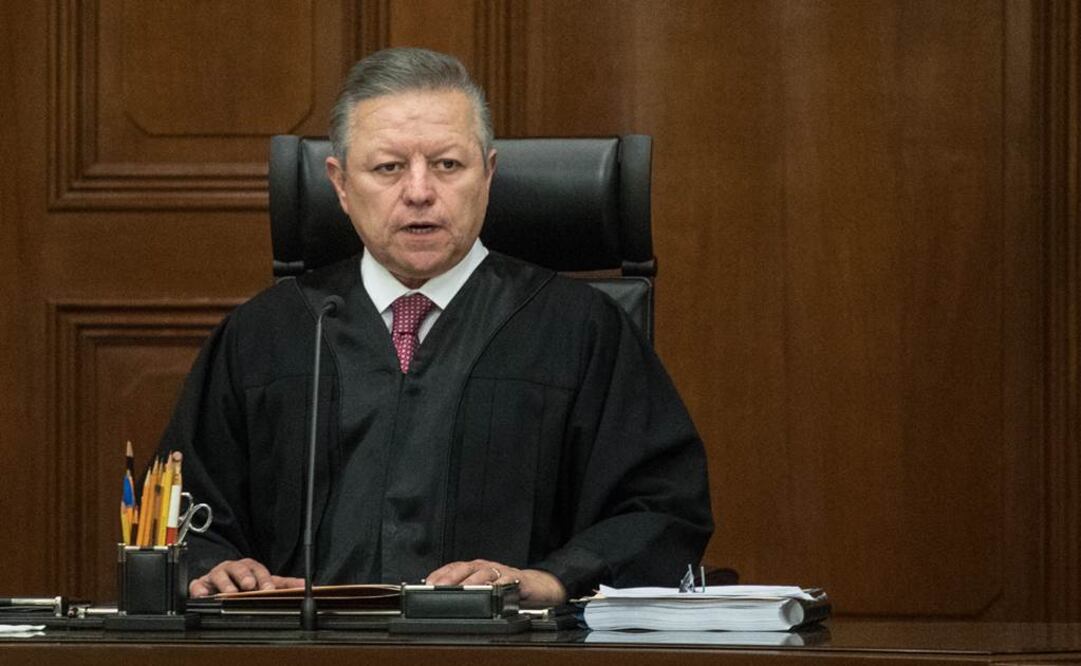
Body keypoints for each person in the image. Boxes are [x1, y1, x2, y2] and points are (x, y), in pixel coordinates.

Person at [159, 47, 713, 607]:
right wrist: (217, 567)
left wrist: (549, 579)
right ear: (341, 184)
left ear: (488, 174)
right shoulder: (265, 337)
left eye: (447, 164)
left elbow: (661, 511)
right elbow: (184, 516)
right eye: (388, 168)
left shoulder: (581, 331)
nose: (420, 192)